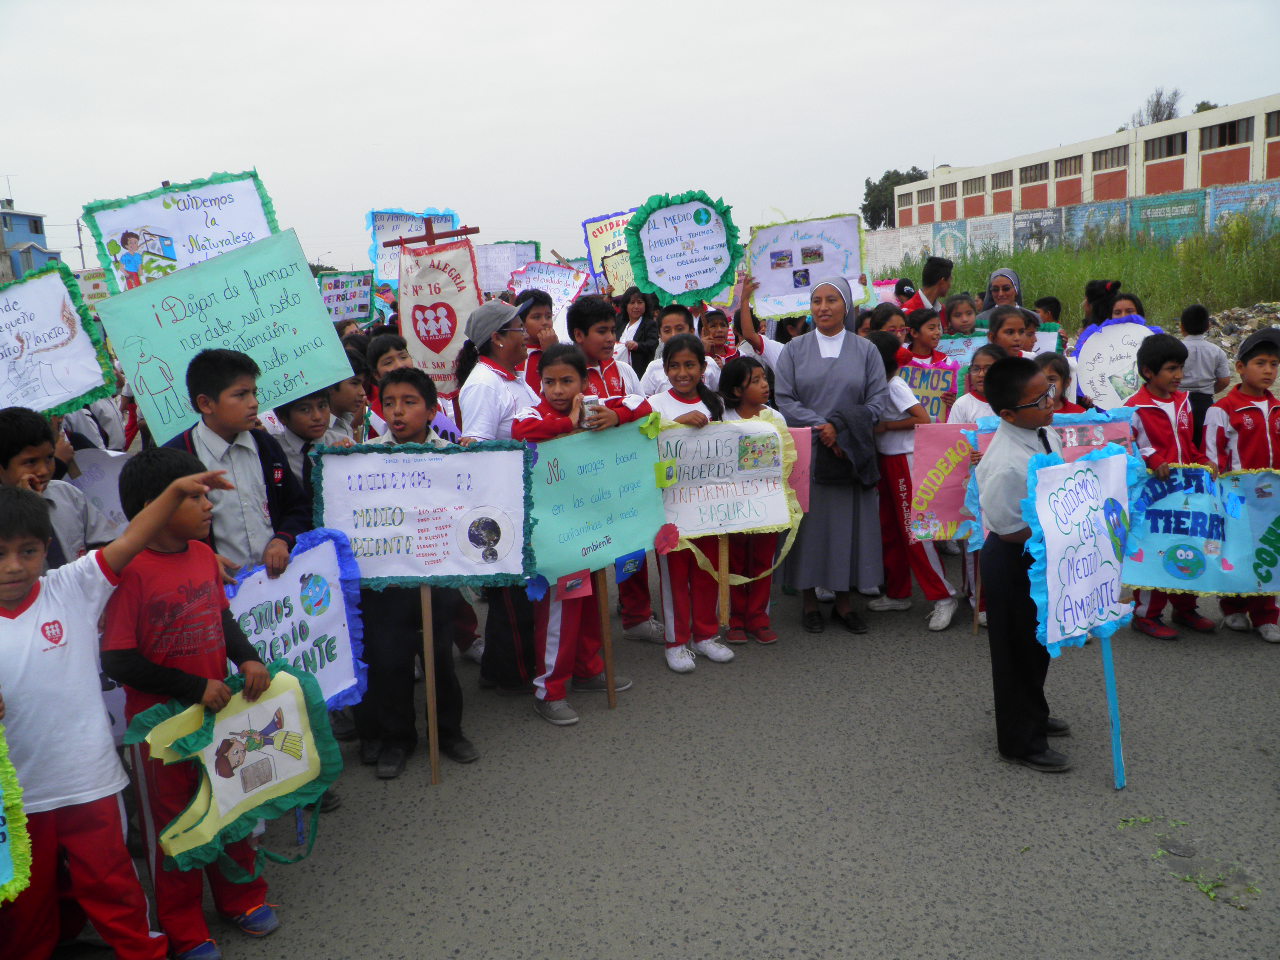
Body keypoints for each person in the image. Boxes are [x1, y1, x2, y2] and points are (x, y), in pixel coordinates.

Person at [0, 468, 234, 959]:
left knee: (113, 885)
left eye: (28, 551)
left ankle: (142, 952)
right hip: (16, 798)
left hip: (89, 780)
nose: (14, 567)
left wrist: (172, 493)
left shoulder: (73, 588)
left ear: (47, 547)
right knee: (24, 902)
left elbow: (131, 540)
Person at [99, 448, 279, 958]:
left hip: (217, 716)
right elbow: (118, 660)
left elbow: (222, 619)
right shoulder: (129, 571)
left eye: (207, 496)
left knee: (231, 805)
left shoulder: (204, 555)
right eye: (195, 497)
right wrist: (192, 687)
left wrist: (247, 659)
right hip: (160, 733)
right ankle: (183, 925)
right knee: (178, 828)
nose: (209, 507)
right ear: (154, 507)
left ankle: (242, 896)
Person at [512, 344, 642, 722]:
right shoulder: (531, 412)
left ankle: (587, 670)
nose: (557, 390)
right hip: (554, 533)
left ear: (584, 381)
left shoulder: (597, 406)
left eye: (567, 381)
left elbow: (642, 405)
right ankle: (549, 689)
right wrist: (568, 423)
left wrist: (615, 416)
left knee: (589, 600)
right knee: (559, 610)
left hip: (592, 523)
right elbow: (523, 429)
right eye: (549, 381)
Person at [360, 367, 478, 772]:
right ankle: (397, 740)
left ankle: (449, 732)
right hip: (386, 583)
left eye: (409, 403)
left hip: (438, 577)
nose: (397, 412)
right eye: (389, 403)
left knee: (439, 659)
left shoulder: (450, 455)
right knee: (390, 661)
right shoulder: (364, 458)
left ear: (431, 411)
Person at [775, 277, 889, 634]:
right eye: (816, 300)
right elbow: (785, 399)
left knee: (848, 528)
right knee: (809, 528)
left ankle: (843, 602)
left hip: (850, 453)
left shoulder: (866, 350)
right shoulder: (793, 349)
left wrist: (840, 428)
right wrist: (824, 427)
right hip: (808, 452)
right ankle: (809, 601)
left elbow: (878, 401)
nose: (823, 307)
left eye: (832, 300)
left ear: (848, 306)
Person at [974, 357, 1072, 772]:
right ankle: (1019, 741)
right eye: (1040, 398)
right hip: (1016, 558)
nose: (1051, 401)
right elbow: (1007, 527)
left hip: (1043, 554)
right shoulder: (1005, 463)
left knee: (1037, 644)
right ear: (1009, 414)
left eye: (1050, 390)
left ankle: (1034, 710)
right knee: (1015, 651)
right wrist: (1063, 531)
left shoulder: (1042, 431)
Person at [568, 295, 665, 644]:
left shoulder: (623, 370)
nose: (610, 338)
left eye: (612, 330)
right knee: (588, 558)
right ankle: (586, 635)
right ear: (579, 335)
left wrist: (619, 415)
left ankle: (637, 615)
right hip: (583, 487)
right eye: (601, 331)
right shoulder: (567, 374)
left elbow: (646, 411)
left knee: (632, 549)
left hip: (623, 482)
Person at [163, 349, 310, 579]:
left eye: (254, 392)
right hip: (212, 593)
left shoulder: (267, 447)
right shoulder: (176, 458)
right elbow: (162, 531)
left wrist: (283, 539)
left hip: (274, 590)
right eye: (241, 395)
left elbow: (297, 506)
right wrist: (200, 558)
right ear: (206, 403)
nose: (254, 403)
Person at [647, 334, 736, 672]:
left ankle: (706, 635)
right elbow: (645, 444)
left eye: (690, 365)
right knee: (674, 578)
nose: (682, 373)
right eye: (675, 366)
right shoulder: (656, 405)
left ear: (702, 367)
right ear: (665, 368)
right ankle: (676, 641)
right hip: (670, 509)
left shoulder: (716, 404)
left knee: (707, 572)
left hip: (709, 507)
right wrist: (676, 425)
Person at [1125, 334, 1216, 640]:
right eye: (1172, 369)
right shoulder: (1133, 408)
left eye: (1181, 368)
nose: (1179, 375)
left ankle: (1185, 607)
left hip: (1185, 494)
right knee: (1154, 551)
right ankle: (1146, 614)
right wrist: (1153, 459)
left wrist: (1203, 459)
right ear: (1149, 372)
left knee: (1188, 548)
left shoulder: (1184, 402)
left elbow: (1188, 444)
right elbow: (1130, 449)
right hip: (1153, 496)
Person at [865, 332, 958, 630]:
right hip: (887, 460)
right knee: (890, 530)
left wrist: (887, 426)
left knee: (916, 532)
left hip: (904, 460)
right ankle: (898, 592)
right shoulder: (880, 384)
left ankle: (944, 596)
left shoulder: (894, 385)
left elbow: (922, 418)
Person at [1204, 328, 1280, 643]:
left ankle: (1267, 616)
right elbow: (1211, 457)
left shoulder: (1277, 409)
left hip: (1272, 500)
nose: (1268, 370)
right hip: (1236, 498)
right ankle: (1233, 607)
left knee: (1269, 554)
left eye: (1274, 364)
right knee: (1237, 551)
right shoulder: (1221, 410)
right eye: (1260, 363)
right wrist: (1219, 497)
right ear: (1239, 368)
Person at [718, 357, 789, 644]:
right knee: (733, 561)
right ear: (736, 390)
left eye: (765, 379)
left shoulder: (774, 418)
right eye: (756, 381)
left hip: (766, 505)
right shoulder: (722, 418)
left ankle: (758, 617)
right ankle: (734, 618)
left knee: (762, 561)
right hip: (732, 507)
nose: (764, 385)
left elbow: (787, 458)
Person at [0, 406, 116, 566]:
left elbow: (103, 542)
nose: (44, 470)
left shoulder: (67, 494)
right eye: (30, 462)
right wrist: (29, 507)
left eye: (49, 458)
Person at [639, 305, 721, 395]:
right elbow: (643, 401)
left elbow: (719, 396)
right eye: (667, 330)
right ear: (660, 335)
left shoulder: (709, 364)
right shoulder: (654, 368)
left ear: (691, 331)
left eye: (679, 329)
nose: (674, 334)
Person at [1180, 304, 1231, 445]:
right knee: (1204, 442)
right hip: (1205, 402)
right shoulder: (1217, 351)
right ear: (1208, 326)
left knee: (1183, 441)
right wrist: (1210, 390)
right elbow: (1224, 380)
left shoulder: (1176, 348)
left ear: (1182, 327)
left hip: (1179, 402)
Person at [273, 389, 346, 489]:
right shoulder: (272, 451)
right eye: (304, 410)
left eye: (322, 406)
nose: (317, 416)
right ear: (281, 417)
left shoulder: (342, 443)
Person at [949, 345, 1008, 423]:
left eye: (988, 369)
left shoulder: (1013, 402)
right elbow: (953, 434)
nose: (981, 374)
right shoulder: (962, 405)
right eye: (976, 369)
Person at [514, 288, 558, 383]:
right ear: (521, 322)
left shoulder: (563, 352)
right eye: (536, 317)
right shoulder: (515, 354)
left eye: (548, 317)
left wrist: (553, 351)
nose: (545, 322)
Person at [612, 285, 658, 373]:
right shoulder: (619, 322)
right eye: (632, 302)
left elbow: (653, 344)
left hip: (639, 372)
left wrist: (637, 345)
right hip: (617, 371)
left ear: (645, 305)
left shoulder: (650, 324)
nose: (636, 306)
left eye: (640, 302)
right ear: (626, 305)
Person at [900, 256, 953, 325]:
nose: (950, 286)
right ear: (942, 282)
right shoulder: (906, 312)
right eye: (950, 281)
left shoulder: (942, 310)